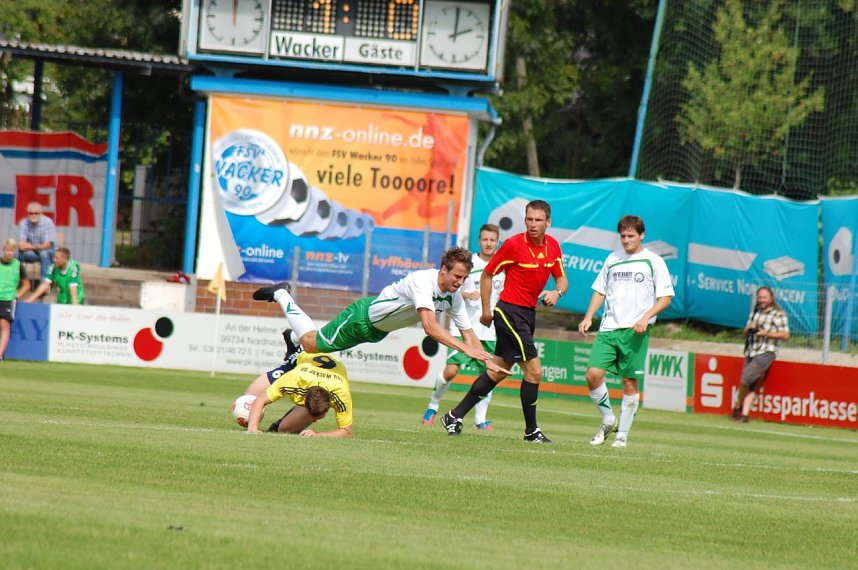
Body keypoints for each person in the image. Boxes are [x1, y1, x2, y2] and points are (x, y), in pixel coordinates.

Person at [251, 247, 506, 375]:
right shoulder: (423, 281)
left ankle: (292, 337)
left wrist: (488, 362)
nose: (460, 283)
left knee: (310, 343)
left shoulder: (454, 297)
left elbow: (471, 336)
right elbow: (430, 327)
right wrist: (465, 348)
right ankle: (282, 294)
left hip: (376, 332)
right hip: (361, 318)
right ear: (443, 269)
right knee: (311, 343)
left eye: (463, 279)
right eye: (457, 277)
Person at [439, 200, 568, 443]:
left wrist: (556, 293)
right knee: (534, 371)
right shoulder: (513, 245)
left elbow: (562, 280)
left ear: (548, 222)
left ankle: (454, 415)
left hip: (528, 315)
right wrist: (487, 311)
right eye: (529, 219)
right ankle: (531, 431)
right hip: (509, 313)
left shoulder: (553, 247)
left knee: (497, 372)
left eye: (538, 220)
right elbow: (488, 274)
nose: (532, 224)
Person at [578, 215, 675, 448]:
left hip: (635, 331)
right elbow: (600, 290)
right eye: (622, 236)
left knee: (629, 383)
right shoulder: (612, 259)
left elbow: (666, 298)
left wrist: (645, 318)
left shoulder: (654, 261)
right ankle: (608, 418)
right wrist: (588, 316)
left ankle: (622, 433)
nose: (626, 240)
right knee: (592, 374)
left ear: (642, 235)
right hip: (609, 327)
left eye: (631, 236)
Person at [422, 224, 504, 431]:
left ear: (497, 242)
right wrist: (466, 294)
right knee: (451, 370)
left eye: (492, 240)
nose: (488, 243)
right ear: (479, 241)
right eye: (485, 239)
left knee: (489, 374)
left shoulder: (501, 266)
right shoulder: (469, 264)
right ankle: (433, 405)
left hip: (489, 329)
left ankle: (480, 418)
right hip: (464, 327)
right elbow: (452, 291)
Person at [245, 348, 353, 438]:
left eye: (317, 416)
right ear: (305, 399)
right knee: (250, 393)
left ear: (330, 403)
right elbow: (261, 399)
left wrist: (317, 434)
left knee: (285, 429)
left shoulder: (341, 394)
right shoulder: (293, 379)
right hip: (302, 356)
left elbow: (347, 432)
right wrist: (253, 428)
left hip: (327, 371)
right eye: (313, 415)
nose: (315, 420)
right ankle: (294, 346)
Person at [731, 286, 790, 422]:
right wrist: (748, 329)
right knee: (752, 383)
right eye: (760, 297)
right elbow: (744, 334)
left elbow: (786, 334)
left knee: (745, 379)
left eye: (764, 297)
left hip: (766, 351)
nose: (762, 300)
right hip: (751, 350)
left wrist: (766, 334)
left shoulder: (778, 314)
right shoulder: (755, 312)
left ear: (771, 298)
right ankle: (744, 414)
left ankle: (737, 406)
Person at [0, 239, 30, 361]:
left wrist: (16, 296)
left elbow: (27, 285)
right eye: (7, 250)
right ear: (4, 250)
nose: (9, 253)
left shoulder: (18, 265)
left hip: (8, 299)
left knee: (4, 326)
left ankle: (0, 353)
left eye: (12, 250)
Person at [18, 202, 58, 282]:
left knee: (44, 253)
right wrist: (30, 247)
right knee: (15, 254)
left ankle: (44, 284)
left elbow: (47, 245)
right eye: (31, 213)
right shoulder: (24, 223)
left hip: (51, 252)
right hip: (34, 252)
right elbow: (21, 245)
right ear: (28, 213)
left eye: (36, 213)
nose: (33, 215)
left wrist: (30, 246)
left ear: (41, 213)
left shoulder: (48, 222)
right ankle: (15, 281)